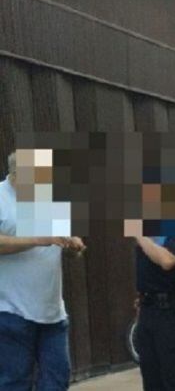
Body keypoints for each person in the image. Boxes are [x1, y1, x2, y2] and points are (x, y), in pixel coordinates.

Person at [0, 150, 85, 391]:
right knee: (14, 383)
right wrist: (39, 238)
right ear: (17, 175)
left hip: (52, 314)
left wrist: (73, 246)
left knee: (57, 381)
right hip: (11, 312)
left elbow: (63, 243)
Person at [133, 234, 175, 391]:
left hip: (170, 313)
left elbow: (168, 261)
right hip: (148, 311)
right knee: (151, 379)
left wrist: (140, 236)